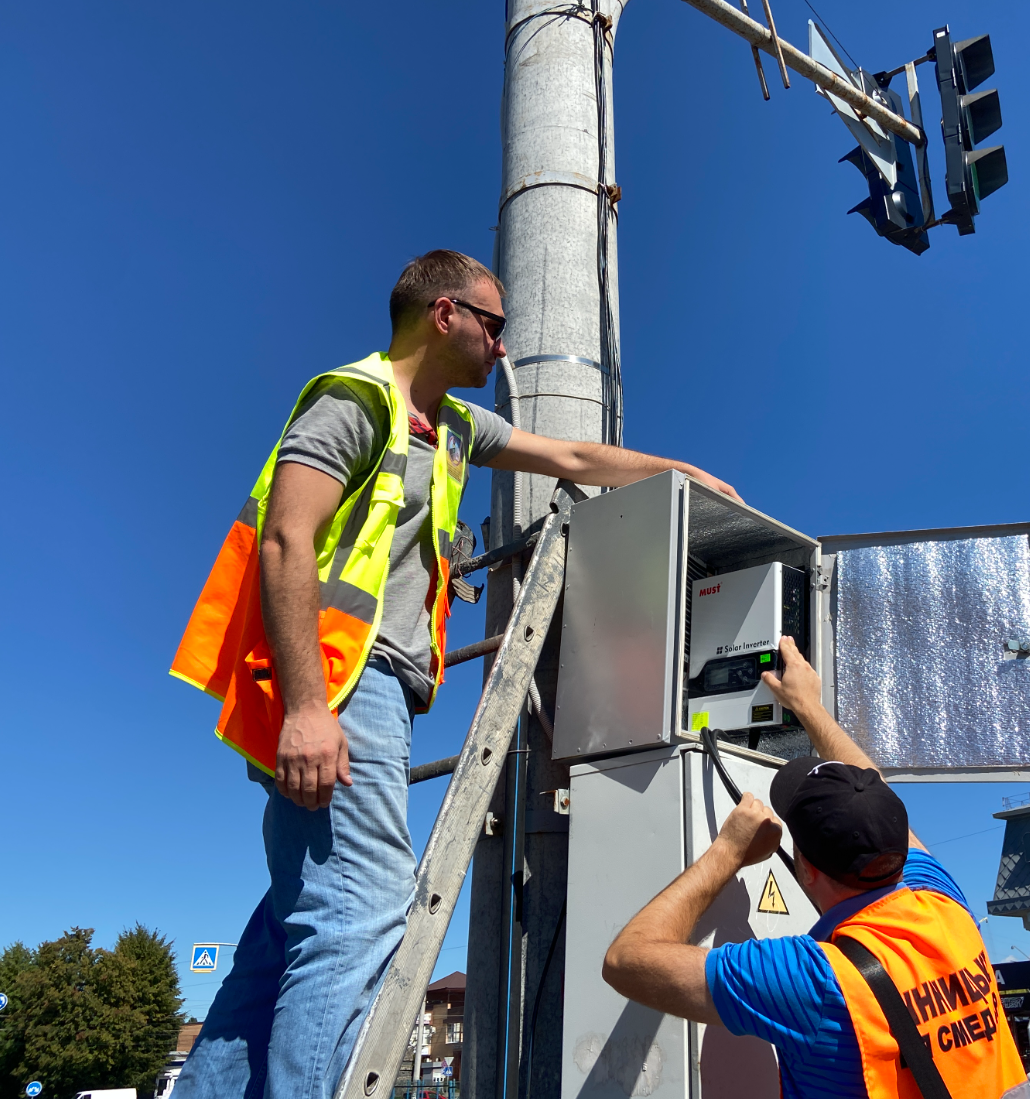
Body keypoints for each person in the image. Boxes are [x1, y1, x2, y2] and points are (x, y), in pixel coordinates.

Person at [169, 250, 737, 1099]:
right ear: (445, 315)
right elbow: (287, 540)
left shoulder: (458, 429)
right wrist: (308, 709)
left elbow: (573, 459)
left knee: (293, 926)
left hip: (365, 692)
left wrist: (679, 474)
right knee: (359, 914)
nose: (503, 346)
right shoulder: (354, 399)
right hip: (338, 684)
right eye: (495, 324)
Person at [602, 635, 1029, 1099]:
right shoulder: (945, 907)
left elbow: (626, 962)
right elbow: (877, 792)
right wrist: (809, 707)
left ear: (805, 870)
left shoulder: (815, 979)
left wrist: (728, 850)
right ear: (895, 847)